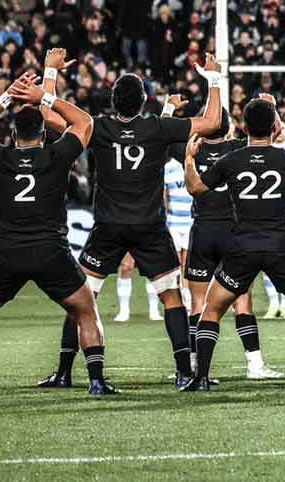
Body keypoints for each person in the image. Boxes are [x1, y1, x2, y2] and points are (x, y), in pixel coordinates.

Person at [38, 51, 223, 389]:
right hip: (149, 226)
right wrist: (213, 78)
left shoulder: (99, 126)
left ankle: (64, 372)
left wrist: (49, 72)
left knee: (82, 299)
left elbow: (48, 116)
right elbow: (211, 123)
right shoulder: (157, 126)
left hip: (108, 226)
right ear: (144, 102)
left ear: (113, 101)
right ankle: (184, 371)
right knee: (171, 297)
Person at [0, 74, 117, 397]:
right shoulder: (57, 155)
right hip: (52, 253)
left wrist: (8, 96)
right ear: (43, 133)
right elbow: (84, 122)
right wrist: (44, 97)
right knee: (86, 311)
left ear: (11, 134)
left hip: (7, 253)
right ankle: (96, 382)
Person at [182, 96, 285, 391]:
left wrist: (189, 160)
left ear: (244, 129)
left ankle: (200, 378)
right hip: (279, 247)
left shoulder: (230, 160)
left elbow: (195, 188)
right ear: (274, 127)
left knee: (211, 311)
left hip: (241, 247)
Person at [173, 104, 281, 380]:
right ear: (231, 127)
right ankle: (255, 365)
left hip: (202, 232)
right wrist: (272, 107)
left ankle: (194, 367)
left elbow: (161, 136)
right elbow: (272, 133)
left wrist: (169, 109)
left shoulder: (190, 147)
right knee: (242, 301)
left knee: (198, 303)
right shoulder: (238, 150)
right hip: (234, 233)